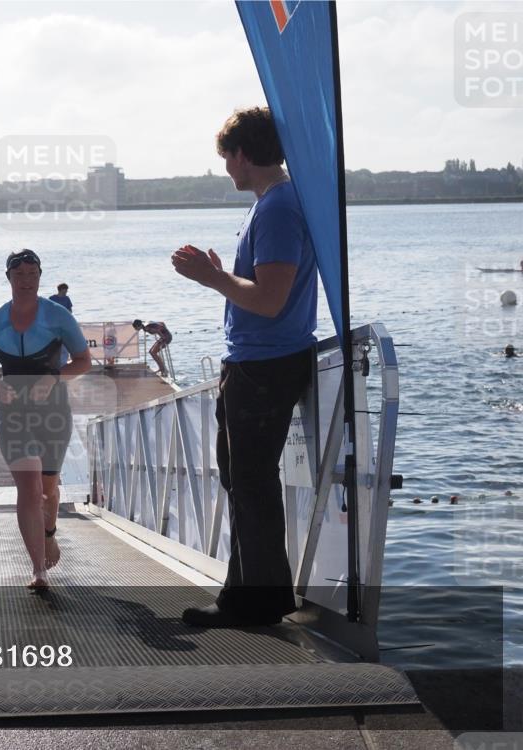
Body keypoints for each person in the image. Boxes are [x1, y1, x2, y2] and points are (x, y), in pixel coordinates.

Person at [171, 106, 317, 628]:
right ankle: (255, 595)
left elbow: (272, 299)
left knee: (251, 481)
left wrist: (211, 278)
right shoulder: (273, 204)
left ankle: (252, 602)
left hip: (266, 363)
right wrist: (218, 275)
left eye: (227, 157)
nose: (225, 168)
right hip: (260, 360)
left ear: (244, 154)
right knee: (243, 479)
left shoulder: (277, 208)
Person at [0, 249, 92, 589]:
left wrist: (54, 377)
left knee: (48, 489)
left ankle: (50, 532)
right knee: (28, 488)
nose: (26, 280)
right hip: (12, 411)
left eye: (32, 274)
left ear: (40, 277)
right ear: (8, 278)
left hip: (52, 410)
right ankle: (38, 570)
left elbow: (84, 362)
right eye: (19, 274)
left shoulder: (57, 317)